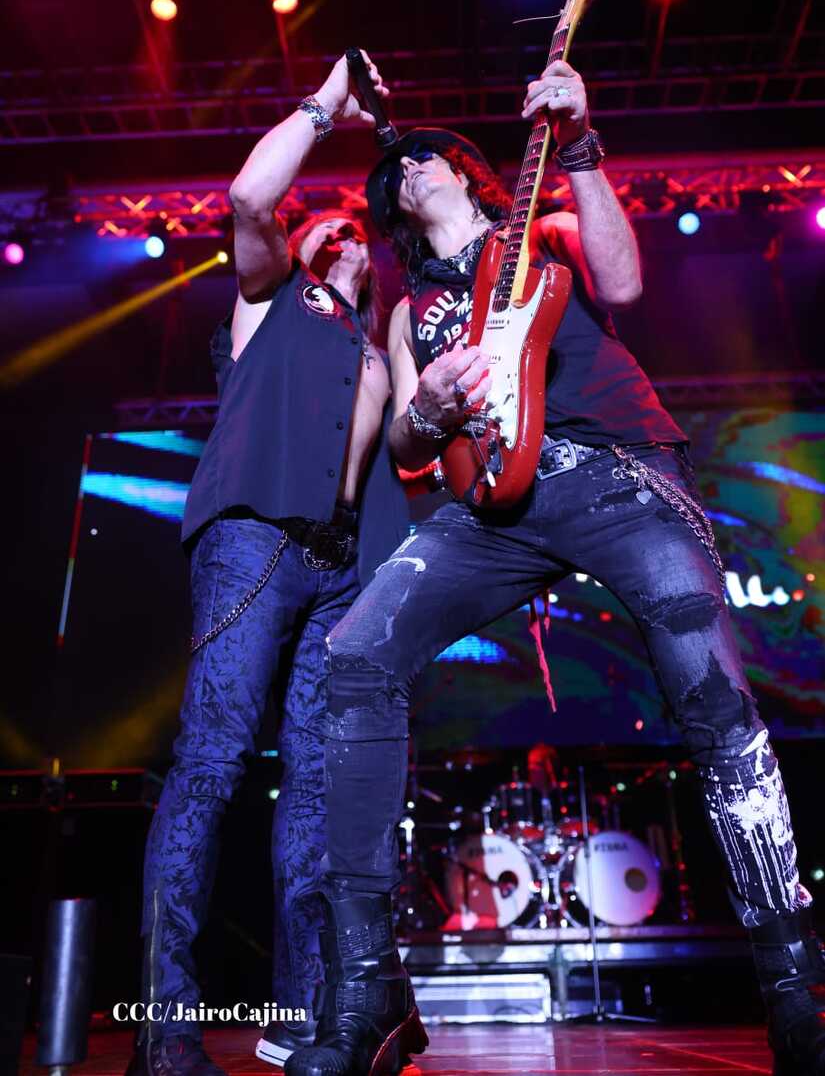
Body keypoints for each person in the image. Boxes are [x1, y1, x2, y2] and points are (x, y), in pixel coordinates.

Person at [286, 61, 824, 1076]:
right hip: (491, 507)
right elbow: (403, 445)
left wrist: (579, 147)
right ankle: (366, 996)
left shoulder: (545, 232)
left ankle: (796, 989)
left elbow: (622, 284)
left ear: (467, 170)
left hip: (620, 475)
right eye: (393, 170)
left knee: (712, 696)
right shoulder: (407, 312)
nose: (407, 169)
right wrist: (428, 408)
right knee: (353, 653)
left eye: (424, 156)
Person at [125, 54, 408, 1076]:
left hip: (341, 571)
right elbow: (250, 195)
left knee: (316, 794)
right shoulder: (271, 298)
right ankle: (164, 1028)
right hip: (255, 540)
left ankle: (304, 1018)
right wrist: (327, 104)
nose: (347, 237)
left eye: (359, 232)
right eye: (328, 226)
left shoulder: (378, 345)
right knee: (211, 762)